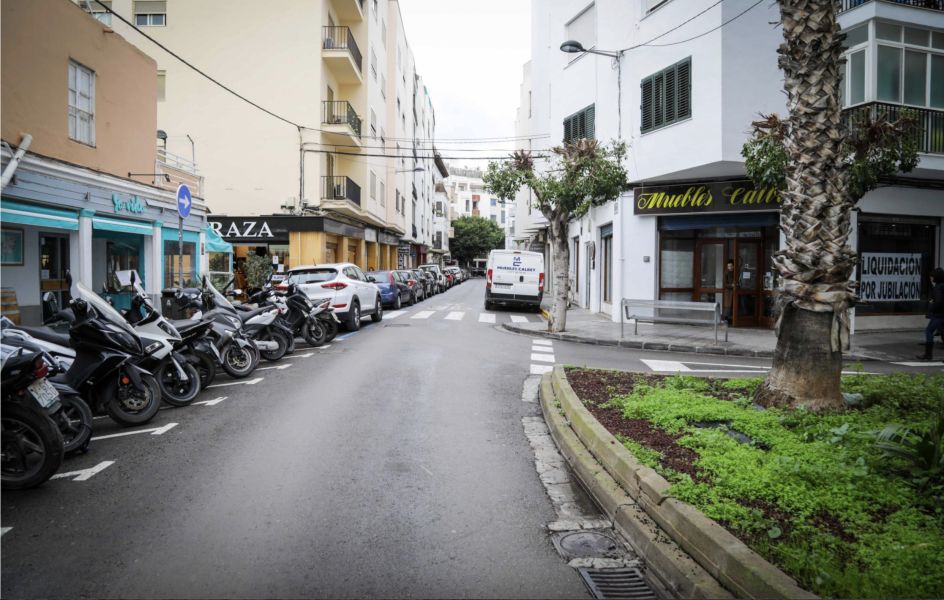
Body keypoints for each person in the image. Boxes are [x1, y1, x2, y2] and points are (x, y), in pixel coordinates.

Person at [917, 267, 944, 360]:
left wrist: (932, 306)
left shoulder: (937, 287)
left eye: (932, 276)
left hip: (939, 314)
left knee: (929, 331)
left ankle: (928, 355)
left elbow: (939, 301)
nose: (931, 278)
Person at [722, 259, 735, 324]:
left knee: (734, 305)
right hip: (728, 292)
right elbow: (724, 284)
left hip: (734, 292)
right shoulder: (726, 273)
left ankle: (733, 319)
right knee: (728, 306)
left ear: (733, 266)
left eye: (731, 266)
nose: (729, 267)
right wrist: (731, 285)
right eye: (728, 266)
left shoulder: (735, 272)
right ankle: (726, 319)